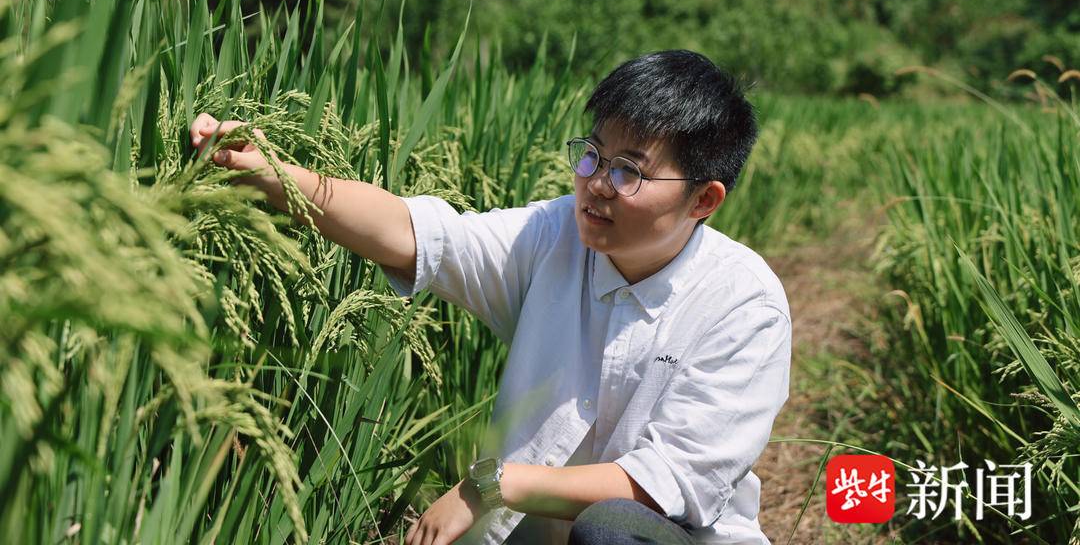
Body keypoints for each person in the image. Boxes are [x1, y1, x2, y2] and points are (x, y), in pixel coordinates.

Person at [190, 49, 791, 545]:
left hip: (668, 540)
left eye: (629, 172)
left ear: (704, 201)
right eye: (593, 155)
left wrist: (492, 484)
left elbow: (666, 484)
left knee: (612, 530)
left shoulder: (743, 305)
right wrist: (274, 175)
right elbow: (420, 234)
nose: (595, 185)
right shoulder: (554, 235)